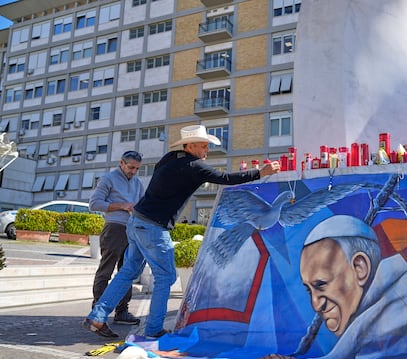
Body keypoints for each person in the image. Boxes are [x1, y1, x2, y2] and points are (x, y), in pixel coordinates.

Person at [82, 125, 281, 338]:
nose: (207, 150)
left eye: (207, 146)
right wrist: (261, 173)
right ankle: (154, 329)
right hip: (153, 227)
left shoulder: (170, 158)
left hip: (136, 222)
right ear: (191, 146)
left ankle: (98, 316)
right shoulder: (194, 166)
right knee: (166, 276)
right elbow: (225, 179)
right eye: (203, 146)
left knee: (128, 271)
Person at [258, 215, 407, 359]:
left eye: (321, 284)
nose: (316, 305)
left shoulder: (404, 311)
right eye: (309, 290)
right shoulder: (376, 313)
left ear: (360, 268)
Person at [89, 150, 144, 325]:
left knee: (126, 272)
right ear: (121, 163)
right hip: (114, 229)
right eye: (131, 167)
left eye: (137, 169)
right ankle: (97, 312)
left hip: (132, 231)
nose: (134, 172)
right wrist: (122, 205)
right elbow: (94, 204)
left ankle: (122, 312)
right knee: (106, 270)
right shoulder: (108, 179)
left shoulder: (138, 183)